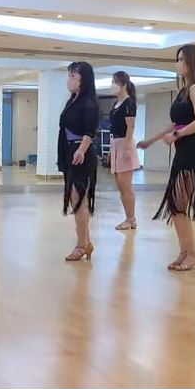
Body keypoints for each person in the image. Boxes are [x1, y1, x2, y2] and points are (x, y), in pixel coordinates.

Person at [137, 44, 195, 271]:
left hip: (192, 152)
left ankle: (192, 253)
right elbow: (174, 123)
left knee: (178, 205)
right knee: (175, 206)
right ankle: (185, 251)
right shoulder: (182, 92)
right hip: (182, 152)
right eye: (177, 59)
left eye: (182, 59)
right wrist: (152, 140)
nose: (178, 63)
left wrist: (177, 135)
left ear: (192, 62)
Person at [58, 62, 100, 261]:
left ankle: (81, 245)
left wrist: (81, 150)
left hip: (80, 152)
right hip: (68, 151)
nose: (69, 80)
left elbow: (89, 131)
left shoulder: (89, 101)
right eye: (69, 75)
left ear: (84, 80)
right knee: (75, 199)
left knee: (78, 199)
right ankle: (86, 242)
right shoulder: (72, 100)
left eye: (73, 76)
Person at [109, 71, 140, 230]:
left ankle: (131, 219)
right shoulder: (116, 103)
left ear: (123, 85)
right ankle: (128, 218)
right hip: (115, 143)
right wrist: (111, 150)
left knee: (125, 185)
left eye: (114, 82)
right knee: (120, 186)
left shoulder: (129, 103)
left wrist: (127, 148)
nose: (112, 86)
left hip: (124, 143)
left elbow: (130, 127)